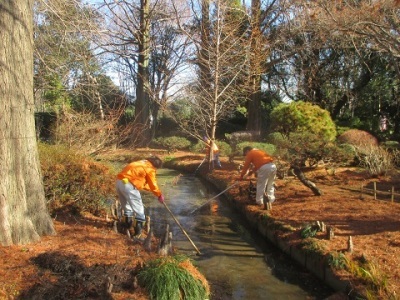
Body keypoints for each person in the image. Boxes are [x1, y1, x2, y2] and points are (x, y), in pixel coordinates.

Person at [116, 156, 164, 239]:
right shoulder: (149, 168)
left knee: (127, 208)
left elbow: (141, 182)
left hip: (120, 182)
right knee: (140, 212)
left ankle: (126, 227)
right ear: (155, 165)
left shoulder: (138, 163)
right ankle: (137, 234)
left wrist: (153, 191)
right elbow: (153, 184)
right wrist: (159, 195)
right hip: (129, 185)